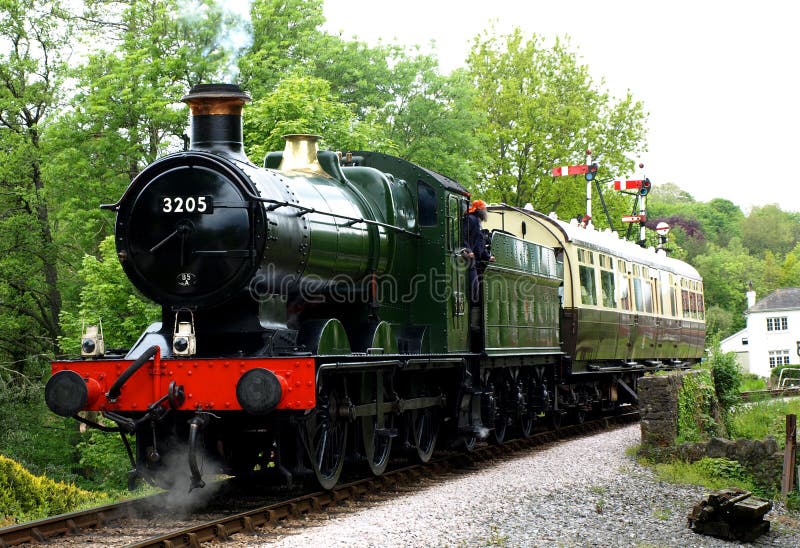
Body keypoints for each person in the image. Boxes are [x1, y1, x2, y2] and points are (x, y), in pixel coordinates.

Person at [462, 199, 495, 307]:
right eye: (484, 209)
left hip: (476, 260)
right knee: (474, 286)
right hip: (470, 260)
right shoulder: (470, 219)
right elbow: (463, 236)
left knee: (477, 288)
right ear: (480, 210)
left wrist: (488, 256)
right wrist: (468, 250)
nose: (486, 212)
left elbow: (479, 243)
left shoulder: (477, 222)